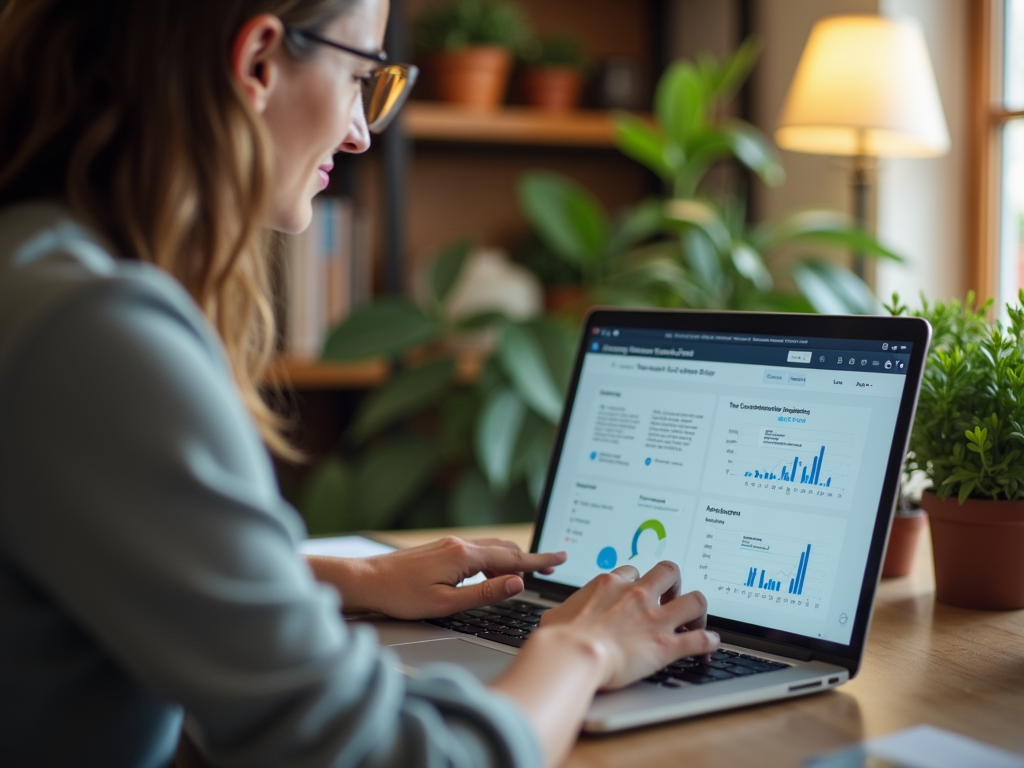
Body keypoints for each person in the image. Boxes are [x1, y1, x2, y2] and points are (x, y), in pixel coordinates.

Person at [0, 1, 719, 766]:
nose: (359, 131)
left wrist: (353, 577)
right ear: (259, 64)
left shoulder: (36, 270)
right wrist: (584, 651)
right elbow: (384, 756)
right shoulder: (95, 336)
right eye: (357, 76)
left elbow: (100, 558)